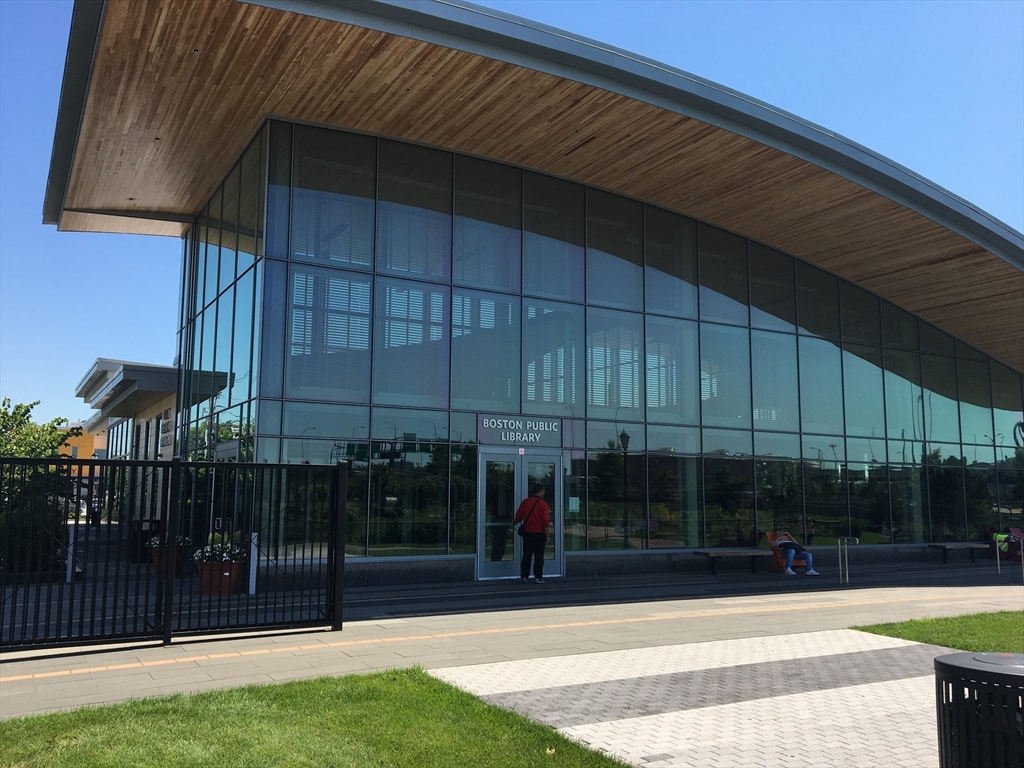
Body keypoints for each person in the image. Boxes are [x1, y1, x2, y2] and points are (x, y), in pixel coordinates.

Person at [514, 483, 551, 583]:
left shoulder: (525, 502)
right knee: (539, 556)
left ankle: (524, 576)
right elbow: (545, 522)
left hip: (527, 533)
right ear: (540, 491)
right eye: (543, 491)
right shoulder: (543, 504)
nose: (544, 493)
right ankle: (538, 577)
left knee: (526, 555)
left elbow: (518, 516)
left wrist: (513, 523)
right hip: (539, 533)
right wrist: (548, 535)